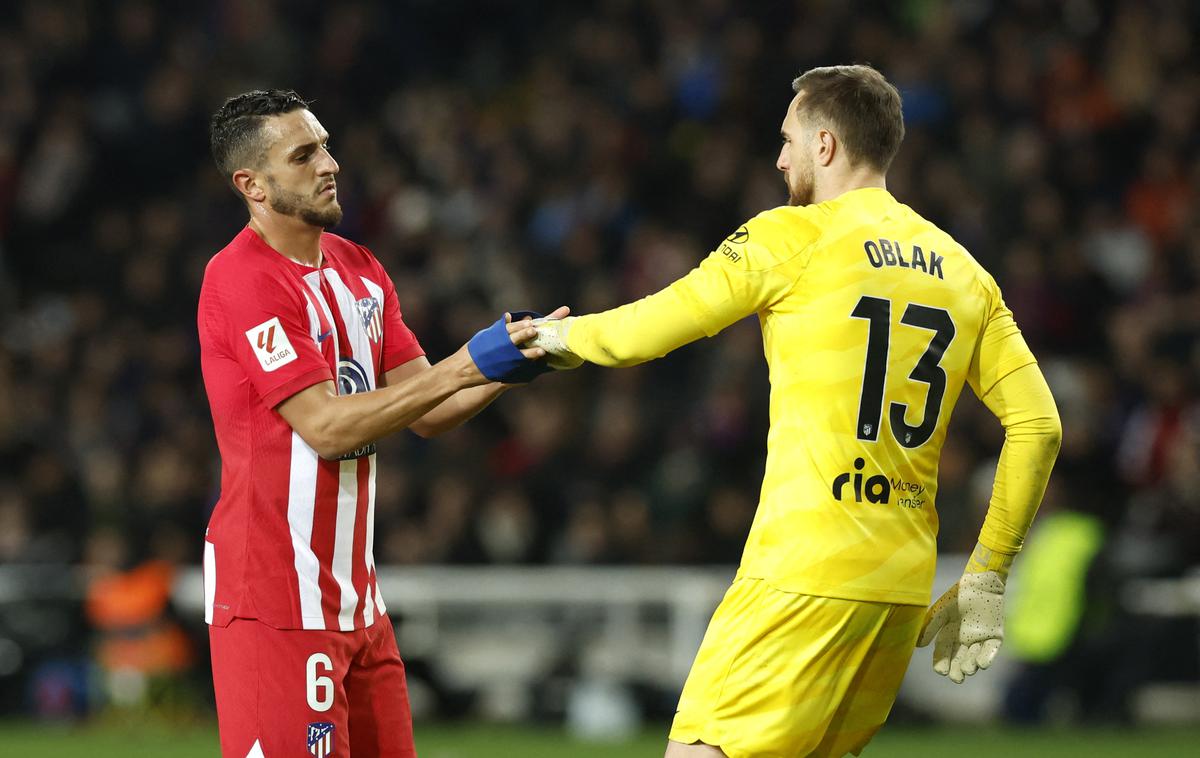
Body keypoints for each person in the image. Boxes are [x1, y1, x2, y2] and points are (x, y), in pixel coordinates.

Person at [532, 64, 1062, 757]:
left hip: (802, 573)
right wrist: (987, 573)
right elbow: (1040, 425)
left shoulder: (792, 238)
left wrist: (549, 338)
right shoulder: (964, 270)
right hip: (898, 589)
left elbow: (646, 331)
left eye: (787, 139)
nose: (779, 157)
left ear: (825, 145)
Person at [198, 89, 559, 758]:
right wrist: (462, 366)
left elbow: (432, 410)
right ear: (252, 185)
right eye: (303, 155)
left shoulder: (361, 271)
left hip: (358, 600)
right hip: (276, 599)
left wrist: (515, 363)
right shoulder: (241, 279)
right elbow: (326, 427)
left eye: (326, 146)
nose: (329, 164)